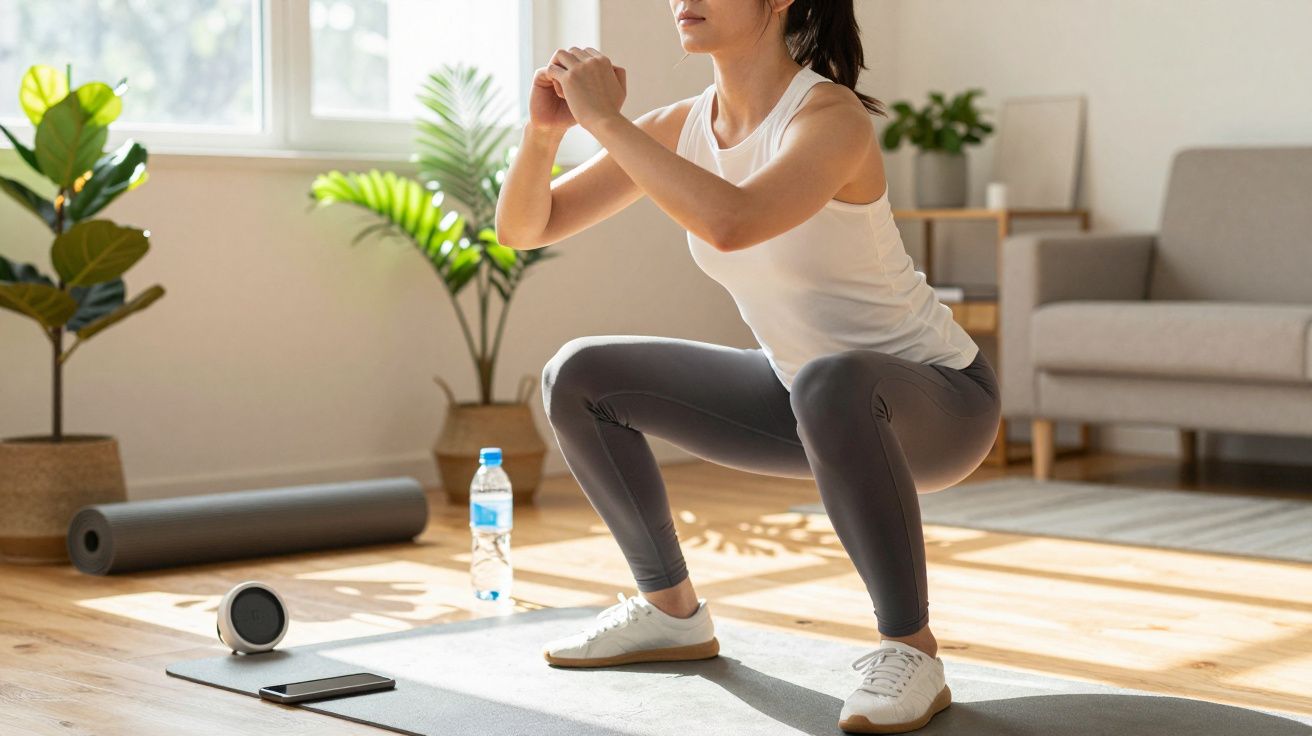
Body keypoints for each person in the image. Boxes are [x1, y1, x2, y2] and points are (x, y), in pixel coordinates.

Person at [494, 1, 1001, 732]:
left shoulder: (830, 119)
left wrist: (606, 120)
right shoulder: (681, 126)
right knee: (580, 376)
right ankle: (671, 614)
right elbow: (524, 227)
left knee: (833, 382)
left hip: (940, 403)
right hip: (806, 398)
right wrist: (546, 134)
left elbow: (733, 223)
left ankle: (912, 651)